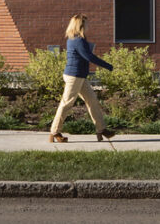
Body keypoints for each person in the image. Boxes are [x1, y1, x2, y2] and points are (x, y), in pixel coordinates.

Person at [48, 13, 115, 143]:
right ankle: (54, 132)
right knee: (66, 103)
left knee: (92, 101)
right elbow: (89, 57)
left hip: (79, 76)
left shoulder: (73, 39)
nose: (88, 26)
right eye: (86, 24)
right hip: (74, 76)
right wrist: (108, 66)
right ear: (81, 25)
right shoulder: (78, 40)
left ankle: (101, 129)